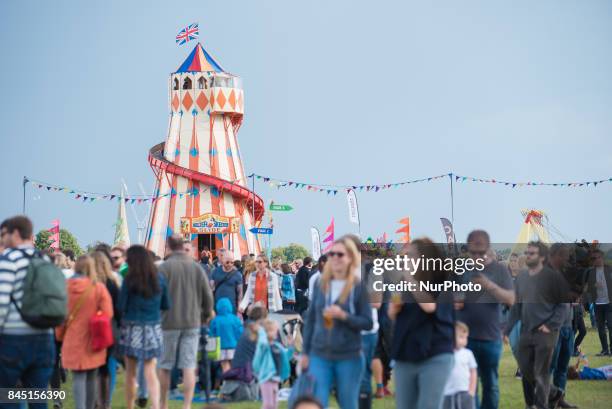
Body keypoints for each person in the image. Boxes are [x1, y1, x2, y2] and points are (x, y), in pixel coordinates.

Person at [301, 237, 373, 409]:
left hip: (348, 354)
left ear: (350, 258)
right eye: (331, 254)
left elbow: (368, 322)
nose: (334, 258)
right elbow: (311, 319)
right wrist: (305, 352)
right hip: (320, 353)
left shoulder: (357, 286)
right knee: (317, 402)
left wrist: (344, 316)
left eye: (340, 254)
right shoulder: (320, 283)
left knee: (348, 403)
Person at [388, 238, 455, 409]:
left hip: (434, 353)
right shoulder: (403, 283)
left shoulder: (442, 280)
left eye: (410, 255)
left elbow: (429, 306)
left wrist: (409, 278)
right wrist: (393, 310)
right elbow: (394, 315)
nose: (406, 260)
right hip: (405, 353)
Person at [0, 216, 57, 409]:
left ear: (15, 233)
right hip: (44, 337)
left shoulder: (8, 260)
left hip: (14, 340)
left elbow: (2, 303)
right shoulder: (44, 259)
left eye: (3, 235)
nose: (2, 239)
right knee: (38, 398)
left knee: (8, 397)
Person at [455, 230, 515, 409]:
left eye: (480, 252)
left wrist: (488, 285)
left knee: (490, 385)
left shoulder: (500, 270)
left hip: (491, 337)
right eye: (472, 252)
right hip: (465, 339)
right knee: (468, 385)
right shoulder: (462, 270)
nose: (476, 256)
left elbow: (510, 299)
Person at [506, 242, 569, 409]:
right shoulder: (523, 278)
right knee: (526, 368)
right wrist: (505, 329)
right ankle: (554, 393)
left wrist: (550, 325)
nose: (527, 256)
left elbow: (562, 305)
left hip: (546, 332)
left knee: (541, 370)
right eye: (527, 253)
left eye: (532, 253)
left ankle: (537, 405)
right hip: (527, 330)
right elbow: (516, 307)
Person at [158, 235, 214, 409]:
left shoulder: (163, 268)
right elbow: (207, 296)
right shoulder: (195, 268)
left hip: (168, 322)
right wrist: (205, 314)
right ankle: (187, 405)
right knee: (189, 365)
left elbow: (156, 296)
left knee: (165, 365)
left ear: (168, 246)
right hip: (192, 321)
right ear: (183, 246)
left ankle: (163, 404)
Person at [117, 245, 170, 409]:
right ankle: (156, 406)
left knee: (131, 373)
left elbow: (121, 305)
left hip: (132, 327)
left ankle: (130, 406)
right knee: (150, 371)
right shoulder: (159, 278)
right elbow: (166, 304)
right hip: (153, 327)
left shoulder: (129, 279)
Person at [60, 254, 114, 409]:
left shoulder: (66, 287)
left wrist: (60, 334)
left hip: (72, 337)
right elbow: (108, 313)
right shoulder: (98, 288)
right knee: (91, 376)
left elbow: (60, 314)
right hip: (94, 337)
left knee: (78, 376)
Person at [548, 244, 578, 409]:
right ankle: (547, 400)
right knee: (550, 367)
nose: (567, 259)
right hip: (554, 328)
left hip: (568, 326)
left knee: (562, 368)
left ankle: (560, 400)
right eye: (564, 256)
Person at [92, 251, 122, 409]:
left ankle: (96, 399)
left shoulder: (88, 282)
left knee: (94, 368)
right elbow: (119, 309)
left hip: (91, 330)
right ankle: (106, 402)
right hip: (109, 329)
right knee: (109, 367)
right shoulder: (112, 282)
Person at [253, 319, 294, 409]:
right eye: (273, 330)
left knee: (275, 404)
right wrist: (262, 332)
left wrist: (291, 347)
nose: (276, 332)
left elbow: (286, 357)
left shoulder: (277, 346)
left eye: (276, 330)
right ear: (265, 332)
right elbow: (256, 362)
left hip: (276, 379)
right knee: (268, 404)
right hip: (266, 379)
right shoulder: (263, 347)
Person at [443, 321, 477, 409]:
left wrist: (471, 390)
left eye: (466, 338)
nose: (464, 341)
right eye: (461, 337)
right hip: (447, 393)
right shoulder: (445, 353)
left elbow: (473, 372)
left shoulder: (468, 353)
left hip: (464, 391)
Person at [587, 249, 612, 356]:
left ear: (602, 257)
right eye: (594, 258)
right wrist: (594, 286)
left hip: (609, 303)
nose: (596, 260)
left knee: (611, 326)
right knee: (600, 328)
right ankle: (605, 350)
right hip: (597, 304)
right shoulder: (591, 272)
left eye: (598, 257)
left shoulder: (609, 269)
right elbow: (587, 289)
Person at [209, 297, 244, 372]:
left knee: (225, 365)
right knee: (234, 365)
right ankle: (233, 380)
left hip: (220, 348)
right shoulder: (235, 319)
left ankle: (226, 380)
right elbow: (240, 332)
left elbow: (211, 334)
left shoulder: (215, 320)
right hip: (234, 347)